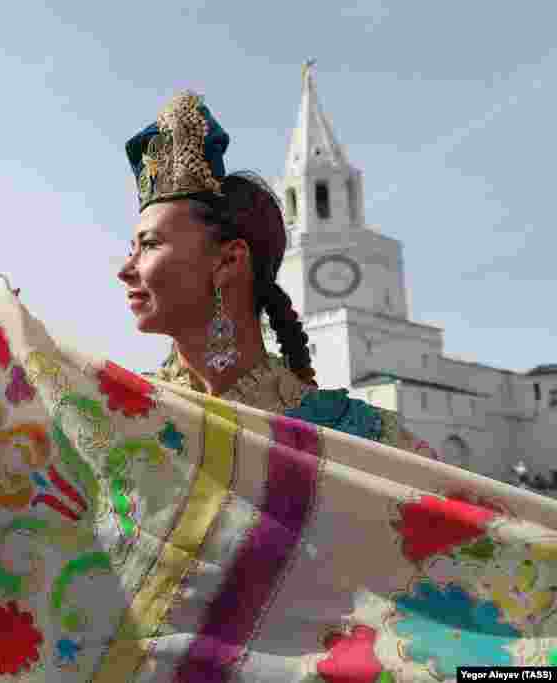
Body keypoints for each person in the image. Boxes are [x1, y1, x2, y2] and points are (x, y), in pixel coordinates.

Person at [119, 90, 434, 455]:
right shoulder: (116, 417)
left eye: (149, 245)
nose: (125, 270)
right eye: (131, 249)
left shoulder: (364, 443)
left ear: (228, 261)